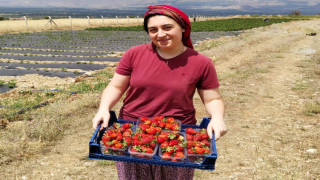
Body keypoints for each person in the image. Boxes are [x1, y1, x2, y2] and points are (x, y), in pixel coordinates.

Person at [92, 4, 227, 180]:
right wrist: (103, 108)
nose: (160, 34)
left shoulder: (201, 62)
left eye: (167, 27)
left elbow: (212, 99)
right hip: (134, 132)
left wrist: (217, 117)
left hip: (178, 134)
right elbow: (116, 86)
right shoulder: (134, 54)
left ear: (183, 28)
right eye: (153, 30)